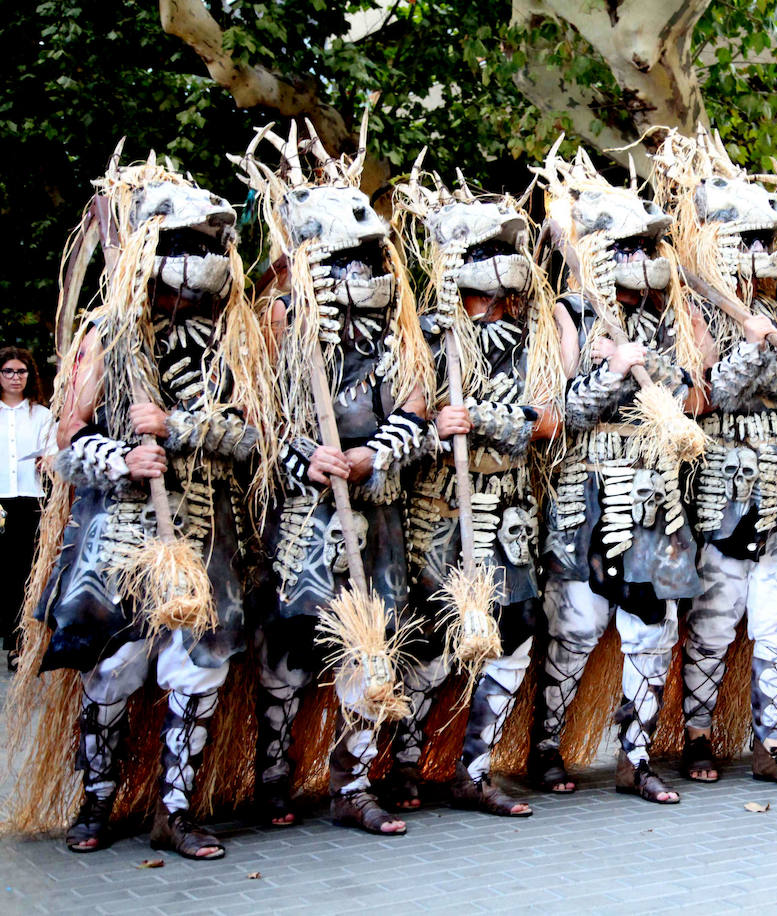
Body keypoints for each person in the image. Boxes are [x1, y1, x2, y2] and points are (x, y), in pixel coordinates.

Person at [36, 160, 273, 858]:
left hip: (205, 532)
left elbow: (255, 437)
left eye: (207, 246)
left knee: (198, 668)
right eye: (179, 245)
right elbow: (66, 443)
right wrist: (123, 458)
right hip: (120, 538)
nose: (194, 263)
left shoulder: (236, 344)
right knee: (114, 670)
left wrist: (182, 429)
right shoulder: (104, 337)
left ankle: (177, 809)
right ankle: (97, 803)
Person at [242, 138, 429, 838]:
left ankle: (352, 782)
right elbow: (253, 416)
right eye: (342, 260)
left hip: (376, 516)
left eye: (365, 259)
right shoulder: (275, 318)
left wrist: (370, 456)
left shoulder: (395, 330)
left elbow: (417, 409)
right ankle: (272, 777)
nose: (357, 274)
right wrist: (303, 458)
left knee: (370, 650)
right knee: (287, 657)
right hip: (301, 522)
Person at [387, 184, 565, 817]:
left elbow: (551, 419)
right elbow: (400, 424)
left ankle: (473, 768)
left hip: (513, 509)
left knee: (513, 635)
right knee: (433, 640)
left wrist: (485, 419)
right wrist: (436, 427)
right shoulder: (423, 337)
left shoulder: (536, 336)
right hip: (441, 509)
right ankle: (404, 764)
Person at [533, 152, 705, 805]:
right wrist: (612, 370)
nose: (641, 257)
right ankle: (547, 748)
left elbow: (694, 394)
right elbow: (566, 410)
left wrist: (651, 365)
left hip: (654, 492)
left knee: (650, 634)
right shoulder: (570, 313)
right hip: (591, 490)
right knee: (574, 628)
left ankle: (635, 756)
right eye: (628, 246)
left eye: (646, 245)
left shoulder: (668, 316)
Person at [655, 138, 777, 792]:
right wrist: (750, 357)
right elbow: (699, 395)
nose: (758, 254)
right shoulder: (693, 310)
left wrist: (769, 356)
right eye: (745, 240)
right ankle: (697, 733)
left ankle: (771, 743)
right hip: (720, 498)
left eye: (764, 241)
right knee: (714, 626)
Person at [0, 345, 52, 671]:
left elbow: (55, 454)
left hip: (29, 503)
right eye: (8, 371)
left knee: (21, 576)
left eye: (21, 371)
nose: (15, 377)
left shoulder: (42, 415)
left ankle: (17, 644)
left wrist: (48, 461)